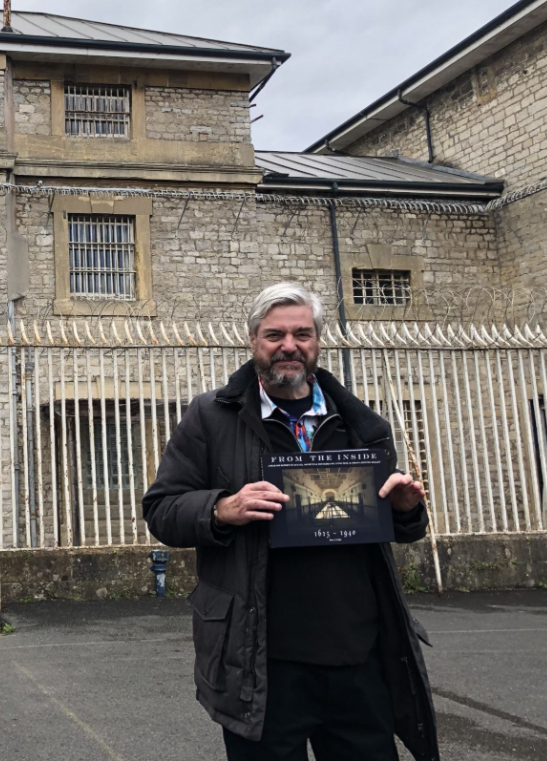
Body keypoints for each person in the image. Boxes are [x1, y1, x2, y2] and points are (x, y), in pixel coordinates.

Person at [142, 282, 438, 761]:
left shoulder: (361, 423)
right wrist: (220, 508)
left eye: (303, 333)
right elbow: (160, 509)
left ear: (317, 340)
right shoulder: (211, 418)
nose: (289, 346)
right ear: (253, 340)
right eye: (274, 334)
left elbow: (394, 529)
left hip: (357, 656)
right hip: (261, 659)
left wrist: (406, 510)